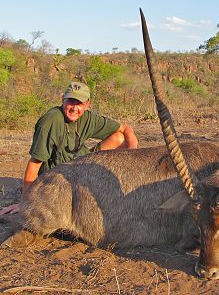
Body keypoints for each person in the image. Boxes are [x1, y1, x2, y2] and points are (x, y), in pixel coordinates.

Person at [0, 82, 138, 215]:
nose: (74, 108)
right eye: (71, 101)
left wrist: (132, 154)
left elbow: (126, 128)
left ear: (88, 104)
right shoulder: (50, 122)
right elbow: (34, 164)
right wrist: (26, 202)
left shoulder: (89, 118)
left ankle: (106, 185)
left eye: (80, 104)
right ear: (63, 99)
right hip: (59, 176)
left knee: (120, 138)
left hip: (82, 165)